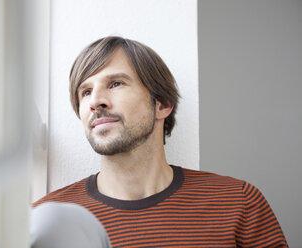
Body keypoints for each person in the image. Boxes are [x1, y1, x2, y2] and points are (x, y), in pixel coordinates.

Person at [33, 36, 288, 247]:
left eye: (116, 84)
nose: (95, 101)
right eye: (85, 91)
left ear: (162, 105)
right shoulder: (41, 222)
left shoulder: (239, 203)